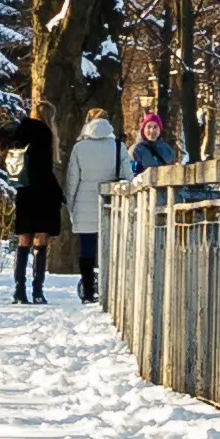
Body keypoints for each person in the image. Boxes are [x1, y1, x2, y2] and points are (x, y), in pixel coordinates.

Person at [62, 104, 129, 305]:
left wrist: (71, 205)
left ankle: (89, 291)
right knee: (110, 247)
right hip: (111, 204)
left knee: (87, 250)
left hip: (85, 203)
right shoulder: (118, 146)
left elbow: (72, 179)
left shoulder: (79, 148)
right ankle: (110, 288)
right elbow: (127, 176)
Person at [4, 110, 65, 305]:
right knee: (41, 239)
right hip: (43, 192)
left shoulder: (20, 133)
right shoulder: (45, 133)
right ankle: (37, 290)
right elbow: (45, 168)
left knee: (24, 239)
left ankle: (19, 289)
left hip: (25, 192)